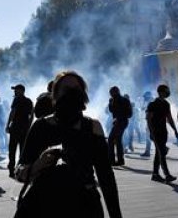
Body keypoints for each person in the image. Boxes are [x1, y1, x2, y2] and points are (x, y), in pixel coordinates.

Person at [15, 70, 122, 218]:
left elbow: (106, 178)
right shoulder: (41, 126)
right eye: (66, 90)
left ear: (84, 95)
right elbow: (19, 172)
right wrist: (37, 165)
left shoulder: (93, 127)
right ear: (55, 94)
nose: (72, 94)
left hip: (85, 205)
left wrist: (116, 215)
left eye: (76, 90)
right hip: (44, 204)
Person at [145, 83, 178, 183]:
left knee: (159, 153)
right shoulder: (152, 104)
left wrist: (175, 130)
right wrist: (151, 132)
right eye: (166, 91)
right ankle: (167, 175)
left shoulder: (166, 104)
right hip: (155, 132)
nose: (167, 92)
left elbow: (169, 118)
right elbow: (148, 119)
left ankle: (155, 174)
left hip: (163, 132)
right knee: (161, 152)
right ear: (161, 92)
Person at [7, 83, 34, 175]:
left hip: (15, 127)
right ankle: (20, 169)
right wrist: (29, 126)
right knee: (22, 150)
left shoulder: (17, 99)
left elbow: (13, 112)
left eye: (16, 89)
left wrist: (8, 125)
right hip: (25, 128)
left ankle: (11, 168)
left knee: (12, 149)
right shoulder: (29, 101)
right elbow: (31, 115)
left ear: (21, 90)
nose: (14, 91)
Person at [107, 86, 132, 166]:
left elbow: (112, 110)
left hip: (119, 122)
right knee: (118, 140)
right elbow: (130, 114)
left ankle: (112, 160)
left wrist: (111, 103)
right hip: (123, 122)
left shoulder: (115, 100)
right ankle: (120, 160)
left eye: (111, 93)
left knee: (111, 139)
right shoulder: (125, 100)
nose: (110, 95)